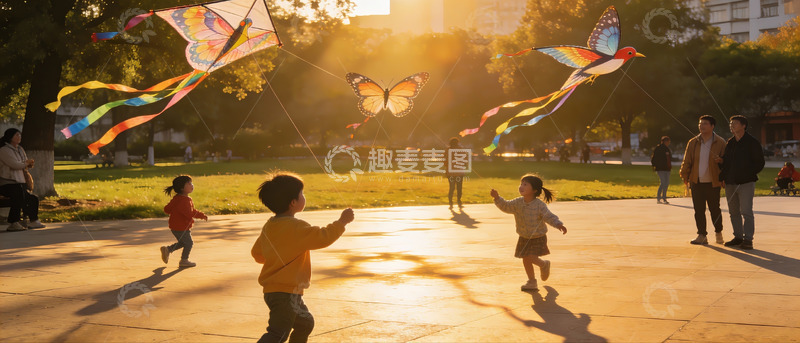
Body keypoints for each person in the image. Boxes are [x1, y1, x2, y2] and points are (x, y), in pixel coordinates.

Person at [252, 173, 354, 342]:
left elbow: (257, 253)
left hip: (276, 292)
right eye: (301, 193)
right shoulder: (297, 227)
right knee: (278, 334)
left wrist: (276, 258)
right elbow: (323, 237)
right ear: (293, 203)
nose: (303, 196)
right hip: (286, 293)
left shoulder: (269, 226)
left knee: (305, 323)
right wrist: (342, 222)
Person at [490, 174, 567, 292]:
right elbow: (506, 206)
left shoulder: (539, 205)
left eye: (525, 184)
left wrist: (558, 224)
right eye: (521, 184)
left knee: (530, 257)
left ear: (534, 190)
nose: (521, 186)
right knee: (525, 259)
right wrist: (497, 198)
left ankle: (543, 264)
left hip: (538, 236)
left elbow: (548, 216)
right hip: (524, 236)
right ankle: (532, 281)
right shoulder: (518, 202)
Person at [679, 115, 727, 245]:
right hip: (696, 182)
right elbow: (687, 161)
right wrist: (684, 175)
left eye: (705, 123)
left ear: (712, 126)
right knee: (698, 210)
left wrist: (721, 162)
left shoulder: (720, 142)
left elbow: (726, 161)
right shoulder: (693, 142)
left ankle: (718, 232)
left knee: (715, 209)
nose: (701, 126)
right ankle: (702, 235)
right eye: (700, 123)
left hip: (713, 182)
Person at [720, 115, 765, 250]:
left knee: (746, 211)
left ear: (743, 126)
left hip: (746, 183)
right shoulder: (730, 142)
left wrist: (748, 174)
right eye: (730, 123)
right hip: (730, 182)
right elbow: (727, 162)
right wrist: (722, 173)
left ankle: (748, 239)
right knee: (733, 212)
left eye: (734, 123)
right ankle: (738, 237)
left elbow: (760, 163)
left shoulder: (752, 142)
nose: (731, 125)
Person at [0, 128, 45, 231]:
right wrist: (25, 163)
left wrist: (28, 164)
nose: (19, 137)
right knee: (18, 193)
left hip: (19, 182)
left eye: (20, 135)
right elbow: (15, 165)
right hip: (6, 183)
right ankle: (13, 222)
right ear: (10, 137)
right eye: (16, 135)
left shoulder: (20, 149)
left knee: (33, 198)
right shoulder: (3, 150)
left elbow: (23, 163)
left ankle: (33, 221)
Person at [160, 175, 208, 267]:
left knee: (183, 242)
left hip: (175, 226)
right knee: (189, 243)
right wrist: (201, 215)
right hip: (182, 227)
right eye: (189, 183)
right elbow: (190, 213)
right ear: (182, 188)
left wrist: (175, 211)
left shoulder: (177, 198)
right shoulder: (185, 200)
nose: (192, 185)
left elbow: (167, 209)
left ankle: (168, 249)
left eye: (191, 183)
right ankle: (184, 260)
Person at [651, 136, 672, 204]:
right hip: (660, 169)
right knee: (663, 183)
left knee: (666, 183)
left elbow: (669, 158)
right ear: (664, 141)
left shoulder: (667, 149)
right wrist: (655, 166)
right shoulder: (658, 148)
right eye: (668, 141)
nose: (668, 143)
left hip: (667, 169)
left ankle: (664, 198)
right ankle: (659, 198)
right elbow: (654, 158)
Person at [446, 137, 465, 209]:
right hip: (459, 172)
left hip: (450, 172)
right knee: (459, 187)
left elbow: (445, 160)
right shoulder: (460, 149)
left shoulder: (448, 150)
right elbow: (465, 158)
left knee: (451, 187)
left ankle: (450, 202)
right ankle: (459, 201)